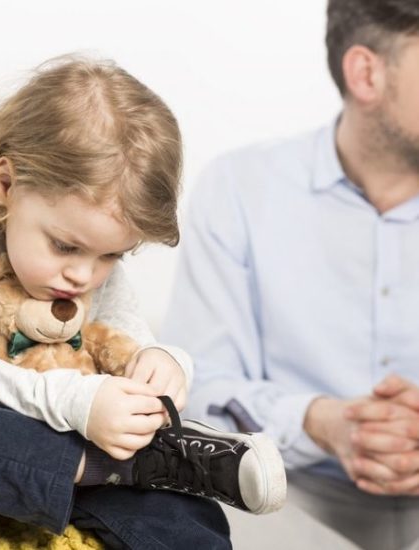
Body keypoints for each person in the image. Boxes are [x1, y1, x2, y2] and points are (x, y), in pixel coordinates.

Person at [0, 56, 287, 550]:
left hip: (65, 462)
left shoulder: (90, 257)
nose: (84, 274)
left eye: (111, 256)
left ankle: (134, 465)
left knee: (181, 510)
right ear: (6, 184)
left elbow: (126, 338)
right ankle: (119, 465)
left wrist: (163, 364)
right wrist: (81, 404)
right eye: (64, 247)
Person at [162, 1, 419, 549]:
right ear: (366, 73)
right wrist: (318, 421)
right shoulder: (240, 189)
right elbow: (196, 386)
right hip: (290, 498)